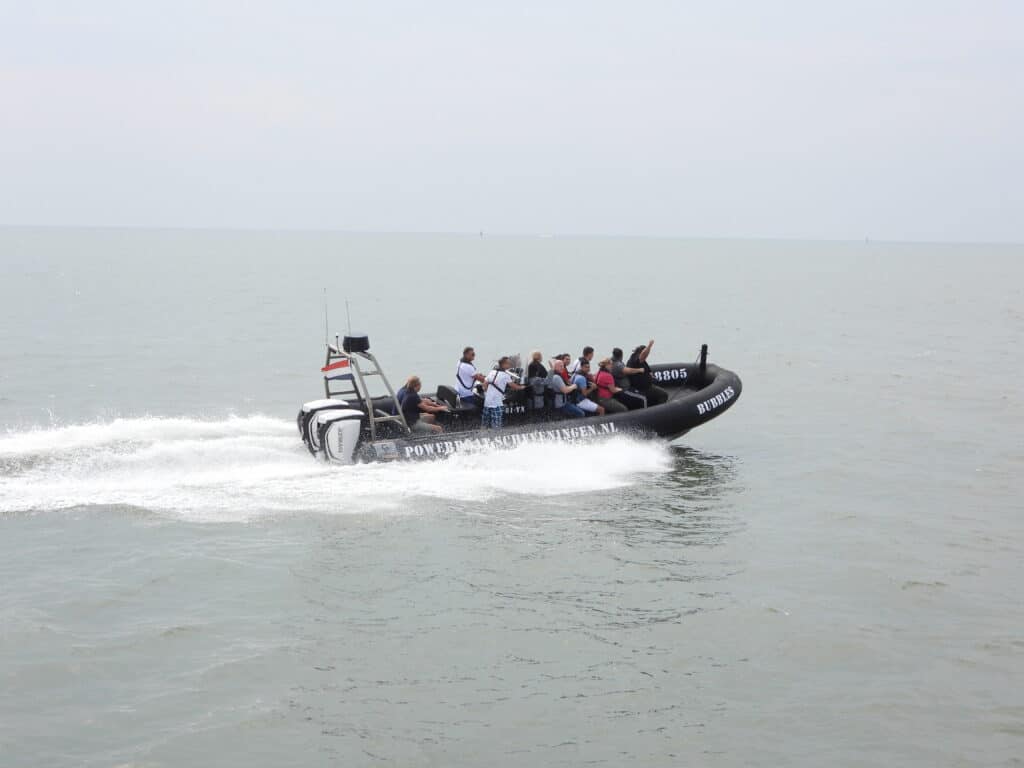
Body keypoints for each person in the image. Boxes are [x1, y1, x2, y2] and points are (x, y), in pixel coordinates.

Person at [481, 356, 526, 428]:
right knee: (496, 425)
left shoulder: (492, 372)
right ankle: (496, 433)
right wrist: (522, 387)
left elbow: (484, 384)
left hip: (487, 402)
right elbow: (514, 386)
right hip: (497, 403)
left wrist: (488, 392)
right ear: (503, 364)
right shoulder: (505, 375)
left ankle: (484, 433)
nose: (510, 365)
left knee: (485, 424)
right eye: (508, 363)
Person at [627, 339, 668, 406]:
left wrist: (651, 377)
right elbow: (643, 355)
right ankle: (660, 410)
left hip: (648, 385)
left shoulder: (643, 362)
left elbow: (649, 371)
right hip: (641, 388)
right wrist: (649, 346)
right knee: (664, 395)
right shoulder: (635, 359)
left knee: (657, 388)